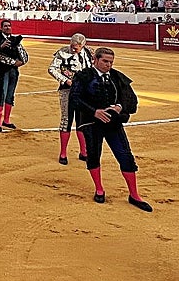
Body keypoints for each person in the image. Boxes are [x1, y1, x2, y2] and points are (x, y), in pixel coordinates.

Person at [68, 47, 151, 211]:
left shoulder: (116, 76)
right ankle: (99, 189)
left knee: (125, 156)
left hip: (112, 122)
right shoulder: (83, 76)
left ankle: (134, 195)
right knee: (93, 156)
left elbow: (130, 98)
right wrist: (94, 112)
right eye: (105, 61)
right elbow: (74, 99)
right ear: (95, 60)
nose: (108, 65)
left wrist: (120, 106)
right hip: (91, 123)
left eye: (111, 62)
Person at [49, 33, 94, 165]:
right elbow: (52, 69)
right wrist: (65, 80)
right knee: (66, 121)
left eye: (77, 48)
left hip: (83, 92)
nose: (74, 50)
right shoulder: (62, 52)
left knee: (82, 121)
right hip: (67, 91)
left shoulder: (88, 53)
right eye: (73, 47)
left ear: (82, 46)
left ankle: (83, 151)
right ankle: (63, 153)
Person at [0, 20, 28, 132]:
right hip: (3, 72)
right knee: (1, 95)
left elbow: (24, 55)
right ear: (1, 28)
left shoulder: (15, 40)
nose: (7, 28)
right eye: (5, 26)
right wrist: (1, 47)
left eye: (9, 26)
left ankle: (6, 120)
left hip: (13, 72)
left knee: (10, 95)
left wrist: (21, 62)